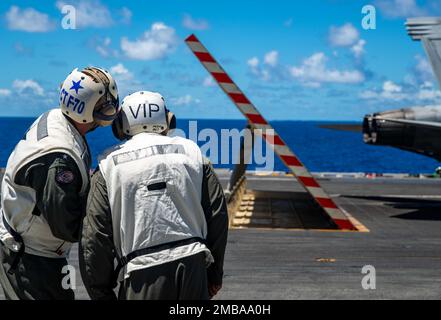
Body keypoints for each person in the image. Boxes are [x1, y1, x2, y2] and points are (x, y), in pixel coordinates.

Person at [80, 91, 228, 300]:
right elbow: (218, 215)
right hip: (193, 265)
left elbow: (95, 236)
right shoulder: (193, 153)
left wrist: (101, 291)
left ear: (121, 124)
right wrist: (214, 274)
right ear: (167, 120)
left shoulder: (108, 165)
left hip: (140, 272)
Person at [0, 67, 120, 300]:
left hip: (33, 249)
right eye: (104, 106)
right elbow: (66, 224)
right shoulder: (59, 158)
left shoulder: (56, 119)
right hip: (31, 258)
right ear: (87, 110)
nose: (108, 111)